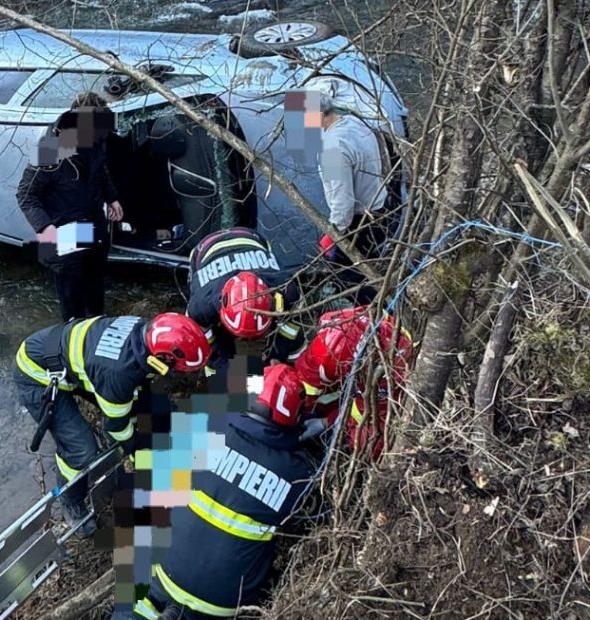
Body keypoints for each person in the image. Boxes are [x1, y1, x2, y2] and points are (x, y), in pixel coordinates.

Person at [133, 363, 318, 619]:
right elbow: (312, 520)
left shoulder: (210, 429)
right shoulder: (298, 474)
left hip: (166, 572)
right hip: (222, 604)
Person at [14, 313, 210, 536]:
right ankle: (72, 501)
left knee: (152, 406)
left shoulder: (145, 331)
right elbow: (117, 428)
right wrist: (136, 453)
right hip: (37, 375)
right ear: (162, 359)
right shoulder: (117, 373)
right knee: (81, 449)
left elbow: (139, 387)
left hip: (71, 358)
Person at [17, 92, 124, 322]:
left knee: (96, 283)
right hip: (65, 229)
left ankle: (98, 323)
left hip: (94, 222)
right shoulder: (50, 150)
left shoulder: (95, 141)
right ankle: (72, 333)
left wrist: (111, 197)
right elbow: (26, 195)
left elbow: (100, 170)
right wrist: (45, 228)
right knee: (71, 289)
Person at [294, 306, 413, 460]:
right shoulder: (337, 327)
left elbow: (368, 414)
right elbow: (306, 381)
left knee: (367, 442)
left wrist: (327, 422)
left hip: (382, 388)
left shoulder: (390, 367)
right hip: (351, 363)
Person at [185, 227, 304, 375]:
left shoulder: (287, 289)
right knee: (216, 358)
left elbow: (292, 323)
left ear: (272, 301)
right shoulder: (200, 305)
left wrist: (277, 355)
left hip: (252, 239)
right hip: (205, 249)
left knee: (294, 341)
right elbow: (202, 335)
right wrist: (220, 363)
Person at [315, 90, 399, 266]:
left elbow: (343, 202)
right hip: (380, 208)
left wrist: (333, 234)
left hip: (358, 225)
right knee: (372, 263)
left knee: (351, 276)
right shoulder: (356, 123)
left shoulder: (332, 148)